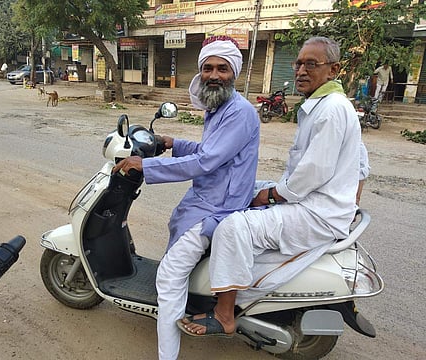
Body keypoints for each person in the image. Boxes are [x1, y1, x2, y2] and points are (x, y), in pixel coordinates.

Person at [178, 36, 362, 337]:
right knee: (243, 191)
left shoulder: (330, 110)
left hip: (316, 212)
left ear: (333, 70)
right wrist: (348, 204)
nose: (301, 71)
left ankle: (224, 313)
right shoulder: (325, 106)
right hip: (322, 205)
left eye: (311, 64)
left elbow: (312, 172)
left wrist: (274, 196)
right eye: (299, 63)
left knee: (232, 226)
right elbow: (360, 162)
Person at [112, 35, 260, 360]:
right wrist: (171, 141)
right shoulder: (219, 108)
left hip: (217, 208)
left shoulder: (239, 113)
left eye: (222, 68)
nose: (214, 75)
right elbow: (210, 152)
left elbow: (206, 161)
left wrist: (145, 164)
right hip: (206, 200)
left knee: (168, 277)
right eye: (207, 68)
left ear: (233, 73)